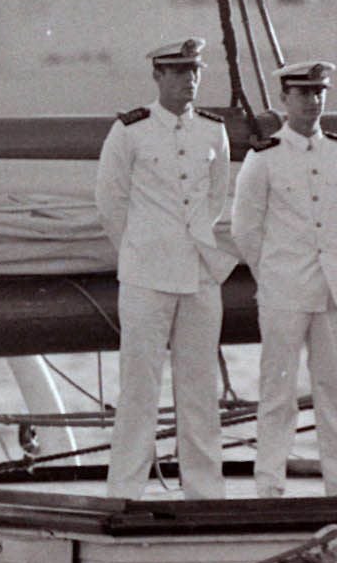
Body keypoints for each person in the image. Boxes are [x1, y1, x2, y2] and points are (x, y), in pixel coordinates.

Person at [94, 37, 235, 500]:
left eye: (193, 70)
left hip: (198, 272)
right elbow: (110, 201)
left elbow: (217, 195)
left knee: (199, 385)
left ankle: (204, 488)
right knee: (140, 386)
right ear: (157, 76)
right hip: (146, 274)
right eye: (177, 71)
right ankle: (127, 488)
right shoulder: (131, 131)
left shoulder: (213, 131)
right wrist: (138, 249)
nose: (188, 79)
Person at [230, 63, 337, 498]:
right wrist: (271, 271)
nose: (311, 101)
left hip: (331, 290)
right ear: (285, 100)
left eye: (318, 92)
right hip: (284, 289)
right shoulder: (264, 156)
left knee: (334, 391)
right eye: (302, 93)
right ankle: (269, 482)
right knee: (278, 391)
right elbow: (244, 229)